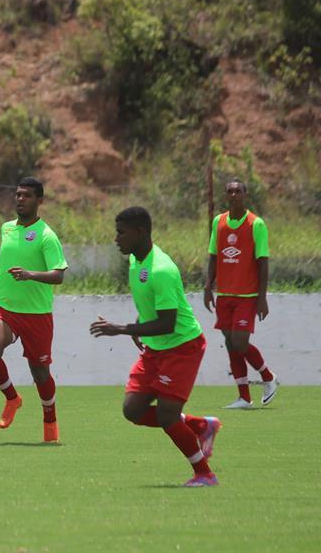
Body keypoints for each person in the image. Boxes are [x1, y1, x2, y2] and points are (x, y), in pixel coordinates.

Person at [90, 206, 222, 487]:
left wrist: (123, 329)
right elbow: (153, 307)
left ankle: (204, 473)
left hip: (181, 347)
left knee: (166, 415)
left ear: (140, 232)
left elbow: (168, 323)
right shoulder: (137, 261)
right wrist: (140, 322)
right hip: (156, 348)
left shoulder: (161, 269)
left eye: (121, 233)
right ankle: (200, 426)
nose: (116, 239)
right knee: (132, 410)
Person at [0, 177, 67, 442]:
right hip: (4, 307)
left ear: (40, 201)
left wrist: (30, 275)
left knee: (40, 372)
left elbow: (58, 275)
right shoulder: (7, 229)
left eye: (26, 195)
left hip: (36, 314)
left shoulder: (47, 236)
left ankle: (50, 420)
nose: (20, 199)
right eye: (17, 194)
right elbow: (6, 262)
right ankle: (12, 398)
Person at [204, 180, 277, 409]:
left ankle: (268, 377)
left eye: (238, 191)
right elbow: (214, 256)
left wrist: (262, 297)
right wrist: (208, 287)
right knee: (229, 342)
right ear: (226, 196)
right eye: (230, 191)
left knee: (239, 341)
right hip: (224, 294)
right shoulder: (219, 222)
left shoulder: (256, 224)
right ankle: (244, 397)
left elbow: (263, 262)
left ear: (245, 194)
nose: (234, 194)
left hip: (247, 295)